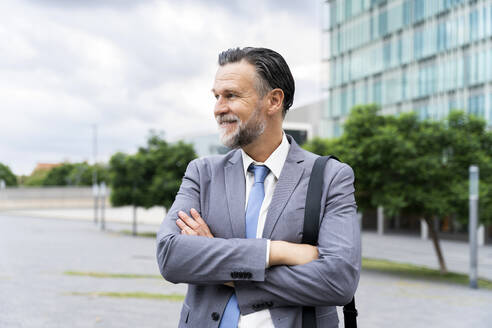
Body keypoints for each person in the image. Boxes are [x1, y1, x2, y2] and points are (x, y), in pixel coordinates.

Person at [156, 47, 360, 328]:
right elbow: (171, 257)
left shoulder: (331, 177)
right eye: (216, 97)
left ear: (274, 101)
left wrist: (219, 263)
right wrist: (275, 252)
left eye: (231, 95)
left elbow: (339, 282)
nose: (218, 108)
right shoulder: (202, 173)